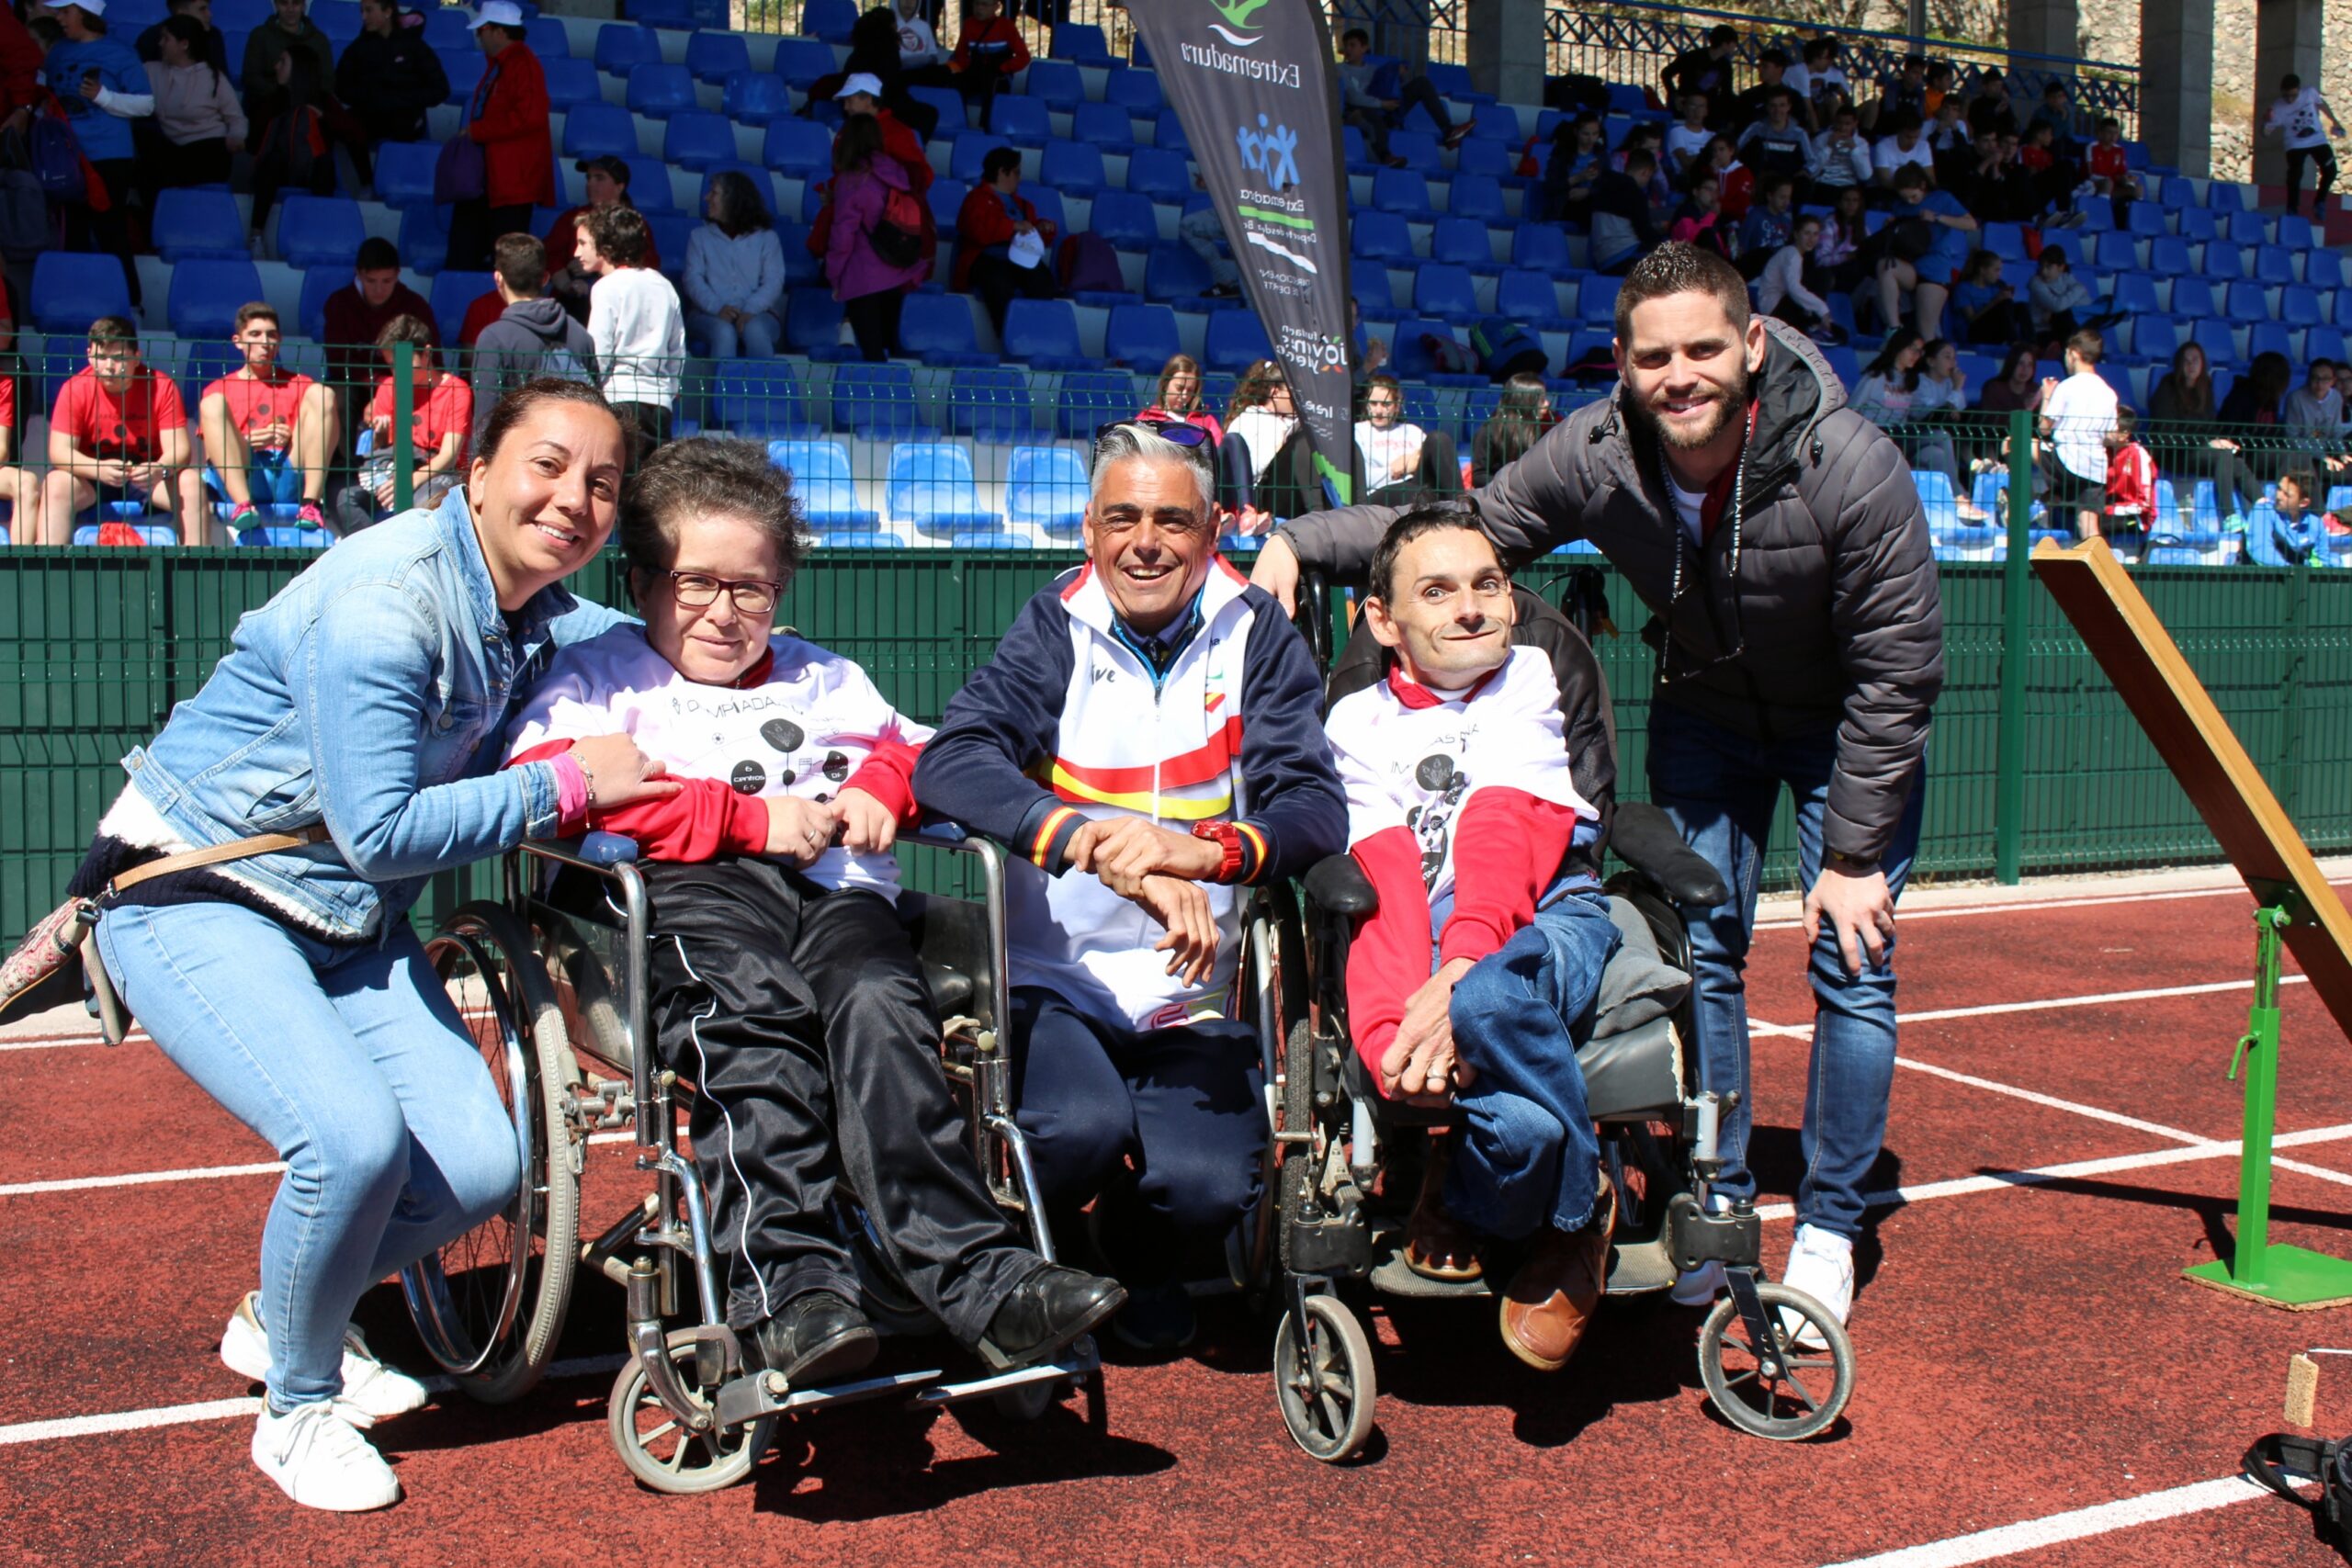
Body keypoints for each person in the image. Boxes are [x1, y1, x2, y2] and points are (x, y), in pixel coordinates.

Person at [1251, 243, 1942, 1340]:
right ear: (1622, 362)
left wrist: (1853, 853)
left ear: (1751, 345)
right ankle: (1713, 1193)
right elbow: (1459, 528)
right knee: (1702, 953)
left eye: (1704, 349)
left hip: (1840, 725)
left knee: (1850, 963)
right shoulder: (1598, 451)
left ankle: (1827, 1226)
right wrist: (1297, 543)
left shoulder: (1849, 466)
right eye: (1655, 355)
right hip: (1709, 715)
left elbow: (1898, 666)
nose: (1681, 374)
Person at [75, 378, 657, 1512]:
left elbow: (631, 640)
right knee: (350, 1146)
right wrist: (569, 782)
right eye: (546, 466)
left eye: (601, 482)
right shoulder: (385, 606)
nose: (573, 499)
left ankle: (278, 1315)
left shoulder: (527, 601)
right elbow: (382, 834)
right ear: (476, 470)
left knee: (485, 1168)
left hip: (347, 920)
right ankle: (294, 1406)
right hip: (201, 895)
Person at [503, 436, 1126, 1382]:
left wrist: (885, 786)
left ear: (780, 588)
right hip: (682, 894)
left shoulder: (822, 675)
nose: (723, 612)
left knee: (884, 1006)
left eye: (749, 588)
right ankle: (788, 1288)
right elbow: (551, 787)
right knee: (751, 1014)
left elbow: (921, 750)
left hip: (836, 896)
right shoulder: (600, 677)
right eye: (694, 584)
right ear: (641, 584)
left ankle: (978, 1276)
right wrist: (747, 819)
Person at [913, 421, 1347, 1353]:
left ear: (1215, 529)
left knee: (1207, 1188)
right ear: (1088, 529)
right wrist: (1087, 839)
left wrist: (1204, 854)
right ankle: (1057, 1240)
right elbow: (952, 763)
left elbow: (1311, 805)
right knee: (1070, 1128)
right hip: (1050, 970)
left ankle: (1131, 1242)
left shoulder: (1256, 634)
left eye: (1170, 520)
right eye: (1122, 517)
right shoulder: (1054, 624)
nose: (1144, 541)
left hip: (1189, 986)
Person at [1325, 508, 1616, 1370]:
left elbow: (1499, 826)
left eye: (1488, 584)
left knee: (1490, 994)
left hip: (1550, 912)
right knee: (1518, 1131)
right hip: (1432, 930)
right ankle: (1469, 1180)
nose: (1471, 608)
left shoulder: (1528, 677)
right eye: (1438, 591)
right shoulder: (1353, 725)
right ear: (1383, 621)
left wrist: (1459, 968)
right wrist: (1390, 1034)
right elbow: (1385, 885)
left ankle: (1577, 1213)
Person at [41, 316, 204, 546]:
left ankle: (194, 571)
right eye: (101, 357)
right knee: (55, 484)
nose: (109, 366)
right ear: (89, 355)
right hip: (92, 478)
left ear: (136, 358)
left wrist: (159, 468)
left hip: (148, 478)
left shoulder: (161, 386)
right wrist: (98, 469)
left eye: (119, 358)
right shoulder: (74, 388)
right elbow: (59, 452)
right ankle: (50, 572)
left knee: (191, 483)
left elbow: (180, 450)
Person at [45, 1, 151, 307]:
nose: (59, 17)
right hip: (66, 157)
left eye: (65, 11)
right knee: (72, 232)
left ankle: (131, 306)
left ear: (85, 13)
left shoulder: (120, 53)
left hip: (108, 154)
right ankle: (78, 304)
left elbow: (145, 104)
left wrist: (103, 97)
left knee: (110, 230)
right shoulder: (59, 52)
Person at [199, 302, 338, 531]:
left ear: (279, 340)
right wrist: (250, 441)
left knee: (322, 394)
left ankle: (310, 503)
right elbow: (211, 455)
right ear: (238, 341)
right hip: (243, 474)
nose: (264, 342)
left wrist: (289, 439)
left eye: (271, 335)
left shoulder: (301, 384)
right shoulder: (219, 388)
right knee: (212, 403)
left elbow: (319, 439)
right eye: (255, 334)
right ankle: (243, 505)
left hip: (289, 470)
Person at [334, 314, 471, 533]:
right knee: (344, 498)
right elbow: (376, 450)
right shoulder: (389, 387)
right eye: (392, 365)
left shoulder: (456, 390)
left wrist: (409, 480)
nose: (399, 372)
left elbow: (449, 455)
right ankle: (375, 554)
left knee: (424, 503)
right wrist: (380, 433)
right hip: (393, 466)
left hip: (436, 472)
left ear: (426, 353)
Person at [448, 0, 553, 273]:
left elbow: (529, 117)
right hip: (498, 182)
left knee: (500, 261)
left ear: (498, 31)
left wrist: (478, 131)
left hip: (509, 184)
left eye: (481, 29)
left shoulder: (520, 65)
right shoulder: (509, 64)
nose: (478, 35)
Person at [580, 205, 684, 468]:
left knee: (622, 479)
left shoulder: (607, 287)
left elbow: (600, 350)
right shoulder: (664, 285)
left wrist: (594, 388)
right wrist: (670, 388)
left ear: (606, 245)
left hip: (619, 396)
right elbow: (677, 347)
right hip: (660, 403)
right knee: (653, 481)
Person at [472, 233, 597, 449]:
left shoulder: (493, 338)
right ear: (545, 278)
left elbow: (486, 418)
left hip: (517, 459)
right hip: (572, 454)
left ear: (498, 279)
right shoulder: (580, 334)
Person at [823, 112, 924, 363]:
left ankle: (874, 403)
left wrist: (835, 276)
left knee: (873, 356)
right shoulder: (896, 174)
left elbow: (842, 235)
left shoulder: (852, 180)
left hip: (864, 277)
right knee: (889, 350)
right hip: (897, 271)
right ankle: (895, 402)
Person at [953, 145, 1060, 335]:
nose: (1019, 178)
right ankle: (1010, 337)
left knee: (1044, 283)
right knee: (999, 282)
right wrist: (1013, 226)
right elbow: (978, 231)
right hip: (987, 258)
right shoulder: (975, 200)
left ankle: (1042, 335)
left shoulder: (1024, 205)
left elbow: (1033, 233)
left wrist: (1043, 228)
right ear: (1002, 172)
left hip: (1019, 257)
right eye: (1016, 173)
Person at [683, 169, 786, 360]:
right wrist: (717, 308)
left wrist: (750, 310)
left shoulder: (767, 238)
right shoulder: (699, 237)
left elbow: (773, 281)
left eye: (713, 193)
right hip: (707, 314)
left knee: (754, 330)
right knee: (724, 333)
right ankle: (722, 390)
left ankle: (762, 388)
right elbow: (692, 279)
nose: (707, 198)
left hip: (759, 314)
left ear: (733, 200)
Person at [141, 12, 243, 199]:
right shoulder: (150, 70)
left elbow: (235, 117)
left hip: (208, 148)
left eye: (166, 39)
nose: (160, 43)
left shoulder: (213, 76)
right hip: (171, 147)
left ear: (184, 44)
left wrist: (236, 137)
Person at [547, 155, 659, 323]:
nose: (590, 184)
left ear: (619, 186)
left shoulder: (635, 225)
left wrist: (597, 267)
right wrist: (568, 285)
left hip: (621, 303)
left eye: (599, 178)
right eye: (589, 178)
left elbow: (648, 268)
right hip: (574, 304)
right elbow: (550, 256)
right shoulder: (572, 218)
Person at [1338, 25, 1468, 168]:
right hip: (1359, 113)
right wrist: (1382, 104)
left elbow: (1390, 90)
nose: (1348, 49)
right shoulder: (1340, 69)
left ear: (1364, 48)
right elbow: (1353, 97)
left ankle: (1449, 131)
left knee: (1421, 83)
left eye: (1352, 45)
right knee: (1369, 115)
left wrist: (1397, 76)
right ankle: (1386, 156)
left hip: (1384, 111)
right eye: (1346, 45)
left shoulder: (1375, 70)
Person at [1875, 163, 1975, 343]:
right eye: (1905, 198)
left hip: (1934, 268)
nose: (1910, 202)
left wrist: (1938, 217)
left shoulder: (1942, 198)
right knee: (1885, 266)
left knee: (1926, 334)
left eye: (1913, 197)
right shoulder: (1900, 205)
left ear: (1922, 186)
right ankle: (1894, 327)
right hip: (1910, 264)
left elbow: (1971, 224)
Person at [334, 0, 447, 159]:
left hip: (405, 118)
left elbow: (441, 88)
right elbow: (340, 86)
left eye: (369, 10)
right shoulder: (357, 48)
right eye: (362, 11)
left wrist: (405, 99)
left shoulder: (415, 46)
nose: (363, 17)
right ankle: (363, 181)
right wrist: (369, 98)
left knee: (403, 129)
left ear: (387, 12)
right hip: (370, 116)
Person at [2038, 329, 2118, 541]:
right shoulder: (2108, 392)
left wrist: (2047, 397)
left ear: (2073, 353)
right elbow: (2111, 435)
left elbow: (2044, 428)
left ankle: (2029, 500)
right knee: (2089, 526)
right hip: (2094, 467)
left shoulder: (2067, 387)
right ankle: (2103, 571)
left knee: (2018, 444)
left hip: (2066, 463)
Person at [1355, 375, 1456, 502]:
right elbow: (1362, 478)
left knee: (1439, 439)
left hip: (1418, 486)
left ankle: (1461, 505)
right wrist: (1394, 470)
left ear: (1397, 406)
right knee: (1413, 493)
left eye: (1386, 404)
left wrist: (1410, 461)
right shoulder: (1358, 432)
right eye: (1374, 403)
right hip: (1382, 492)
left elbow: (1430, 458)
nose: (1379, 410)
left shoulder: (1412, 431)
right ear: (1367, 404)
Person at [2266, 73, 2345, 220]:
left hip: (2317, 139)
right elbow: (2266, 131)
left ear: (2299, 90)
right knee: (2295, 174)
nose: (2290, 99)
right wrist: (2265, 124)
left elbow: (2321, 104)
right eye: (2286, 96)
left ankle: (2320, 201)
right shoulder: (2277, 107)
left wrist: (2335, 121)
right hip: (2295, 143)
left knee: (2331, 170)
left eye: (2293, 95)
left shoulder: (2309, 93)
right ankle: (2292, 208)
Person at [943, 0, 1026, 132]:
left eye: (985, 5)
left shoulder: (1006, 26)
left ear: (996, 7)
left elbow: (1024, 57)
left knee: (992, 84)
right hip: (976, 71)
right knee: (955, 84)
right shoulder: (969, 24)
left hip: (999, 74)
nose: (979, 9)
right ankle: (959, 124)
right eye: (976, 4)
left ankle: (987, 127)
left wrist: (1004, 68)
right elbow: (961, 54)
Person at [1756, 212, 1838, 341]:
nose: (1811, 239)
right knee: (1823, 276)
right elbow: (1794, 288)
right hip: (1775, 309)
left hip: (1779, 306)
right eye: (1807, 233)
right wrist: (1822, 309)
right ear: (1796, 234)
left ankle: (1812, 324)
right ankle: (1814, 324)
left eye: (1815, 234)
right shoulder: (1792, 253)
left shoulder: (1797, 255)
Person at [1469, 372, 1552, 488]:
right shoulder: (1490, 430)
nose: (1547, 404)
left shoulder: (1539, 430)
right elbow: (1479, 476)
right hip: (1496, 495)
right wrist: (1512, 485)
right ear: (1527, 402)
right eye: (1542, 400)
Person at [1224, 359, 1297, 488]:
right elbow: (1240, 470)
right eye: (1292, 393)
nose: (1298, 401)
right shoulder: (1248, 421)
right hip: (1259, 495)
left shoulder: (1294, 422)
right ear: (1275, 393)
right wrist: (1280, 451)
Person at [1589, 147, 1663, 275]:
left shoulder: (1602, 187)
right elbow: (1645, 233)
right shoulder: (1635, 193)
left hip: (1601, 259)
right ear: (1645, 172)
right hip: (1624, 257)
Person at [2101, 406, 2155, 562]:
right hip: (2106, 510)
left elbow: (2146, 502)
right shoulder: (2101, 452)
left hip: (2132, 514)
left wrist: (2112, 509)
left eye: (2111, 427)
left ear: (2125, 434)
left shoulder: (2138, 455)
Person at [1659, 23, 1737, 129]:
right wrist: (1675, 94)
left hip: (1710, 109)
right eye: (1733, 43)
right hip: (1686, 103)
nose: (1735, 47)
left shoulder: (1725, 65)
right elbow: (1666, 73)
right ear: (1725, 44)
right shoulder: (1692, 57)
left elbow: (1726, 92)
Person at [2284, 358, 2350, 476]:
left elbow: (2335, 433)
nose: (2319, 384)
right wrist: (2323, 457)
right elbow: (2293, 437)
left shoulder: (2336, 398)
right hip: (2302, 454)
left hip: (2326, 449)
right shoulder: (2296, 398)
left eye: (2325, 379)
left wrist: (2342, 453)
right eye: (2315, 378)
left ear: (2333, 381)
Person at [1137, 355, 1223, 445]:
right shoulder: (1146, 419)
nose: (1184, 395)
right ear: (1165, 384)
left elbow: (1217, 452)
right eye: (1179, 388)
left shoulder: (1207, 421)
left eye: (1190, 390)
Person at [2257, 468, 2333, 566]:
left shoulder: (2315, 524)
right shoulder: (2262, 512)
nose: (2278, 496)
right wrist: (2291, 571)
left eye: (2286, 494)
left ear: (2303, 503)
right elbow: (2261, 551)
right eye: (2279, 489)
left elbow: (2322, 561)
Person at [1948, 249, 2021, 345]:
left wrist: (2008, 298)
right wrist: (1996, 301)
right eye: (1996, 270)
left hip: (1993, 332)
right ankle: (2014, 342)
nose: (1999, 275)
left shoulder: (1995, 288)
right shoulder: (1963, 289)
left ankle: (2031, 343)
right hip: (1973, 333)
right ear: (1982, 270)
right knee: (2006, 304)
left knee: (2021, 307)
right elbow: (1971, 319)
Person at [135, 0, 227, 77]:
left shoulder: (214, 36)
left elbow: (221, 79)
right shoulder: (150, 39)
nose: (210, 14)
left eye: (208, 8)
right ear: (181, 13)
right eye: (202, 9)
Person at [1813, 183, 1869, 293]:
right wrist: (1848, 256)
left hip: (1857, 270)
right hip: (1835, 271)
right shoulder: (1829, 224)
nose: (1851, 204)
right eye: (1847, 200)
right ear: (1839, 203)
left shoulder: (1862, 226)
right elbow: (1820, 261)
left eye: (1855, 200)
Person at [1807, 104, 1872, 196]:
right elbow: (1811, 171)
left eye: (1847, 124)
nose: (1842, 128)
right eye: (1839, 123)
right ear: (1834, 122)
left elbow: (1865, 176)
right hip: (1824, 184)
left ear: (1855, 123)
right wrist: (1828, 147)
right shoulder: (1821, 139)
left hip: (1849, 186)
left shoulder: (1861, 143)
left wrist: (1854, 150)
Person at [1664, 91, 1713, 180]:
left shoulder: (1712, 136)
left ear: (1706, 111)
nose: (1697, 111)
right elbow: (1685, 163)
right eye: (1693, 106)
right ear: (1685, 109)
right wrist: (1708, 157)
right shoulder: (1677, 132)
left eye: (1701, 106)